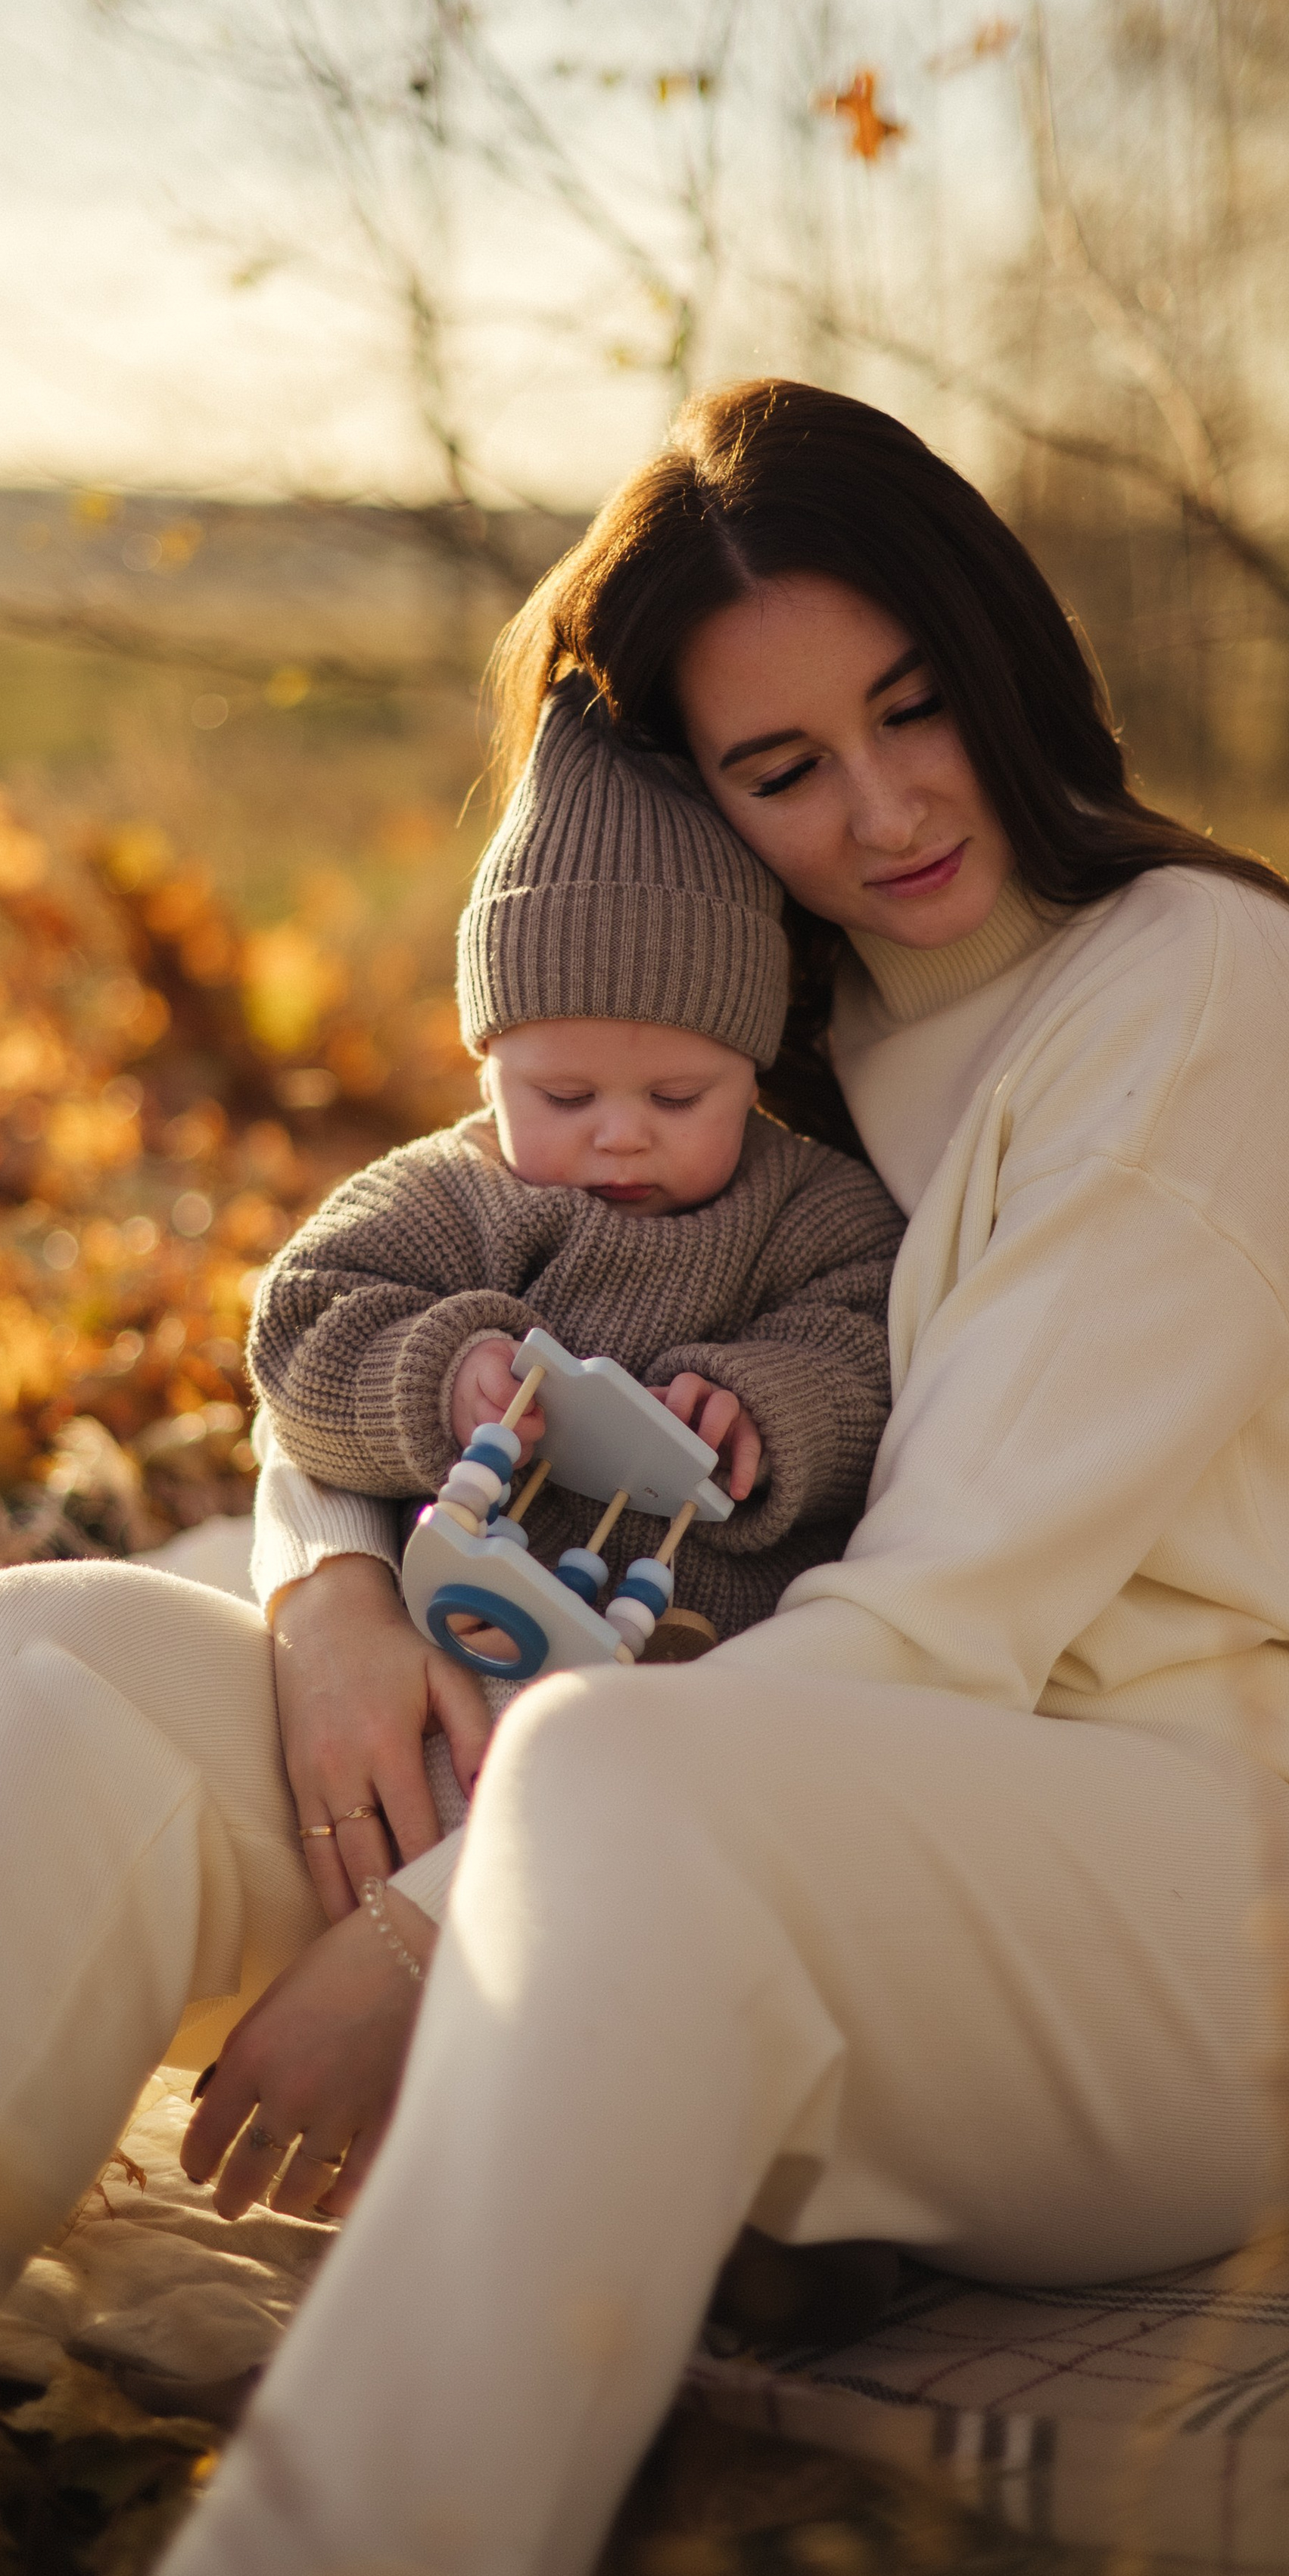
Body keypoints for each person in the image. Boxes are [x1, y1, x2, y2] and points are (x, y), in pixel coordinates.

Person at [0, 379, 1289, 2576]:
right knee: (48, 1645)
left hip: (1225, 1918)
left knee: (615, 1775)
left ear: (1004, 652)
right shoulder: (737, 1002)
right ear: (696, 796)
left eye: (913, 708)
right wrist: (327, 1577)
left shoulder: (1195, 1000)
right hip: (703, 1806)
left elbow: (939, 1624)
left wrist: (428, 1934)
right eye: (782, 765)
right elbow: (426, 1290)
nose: (883, 804)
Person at [248, 691, 904, 1844]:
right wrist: (442, 1378)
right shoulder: (449, 1193)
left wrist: (766, 1404)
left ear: (752, 1071)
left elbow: (872, 1344)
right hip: (448, 1649)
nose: (620, 1134)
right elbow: (302, 1324)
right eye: (564, 1096)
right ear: (487, 1059)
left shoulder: (810, 1207)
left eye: (677, 1097)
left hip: (695, 1705)